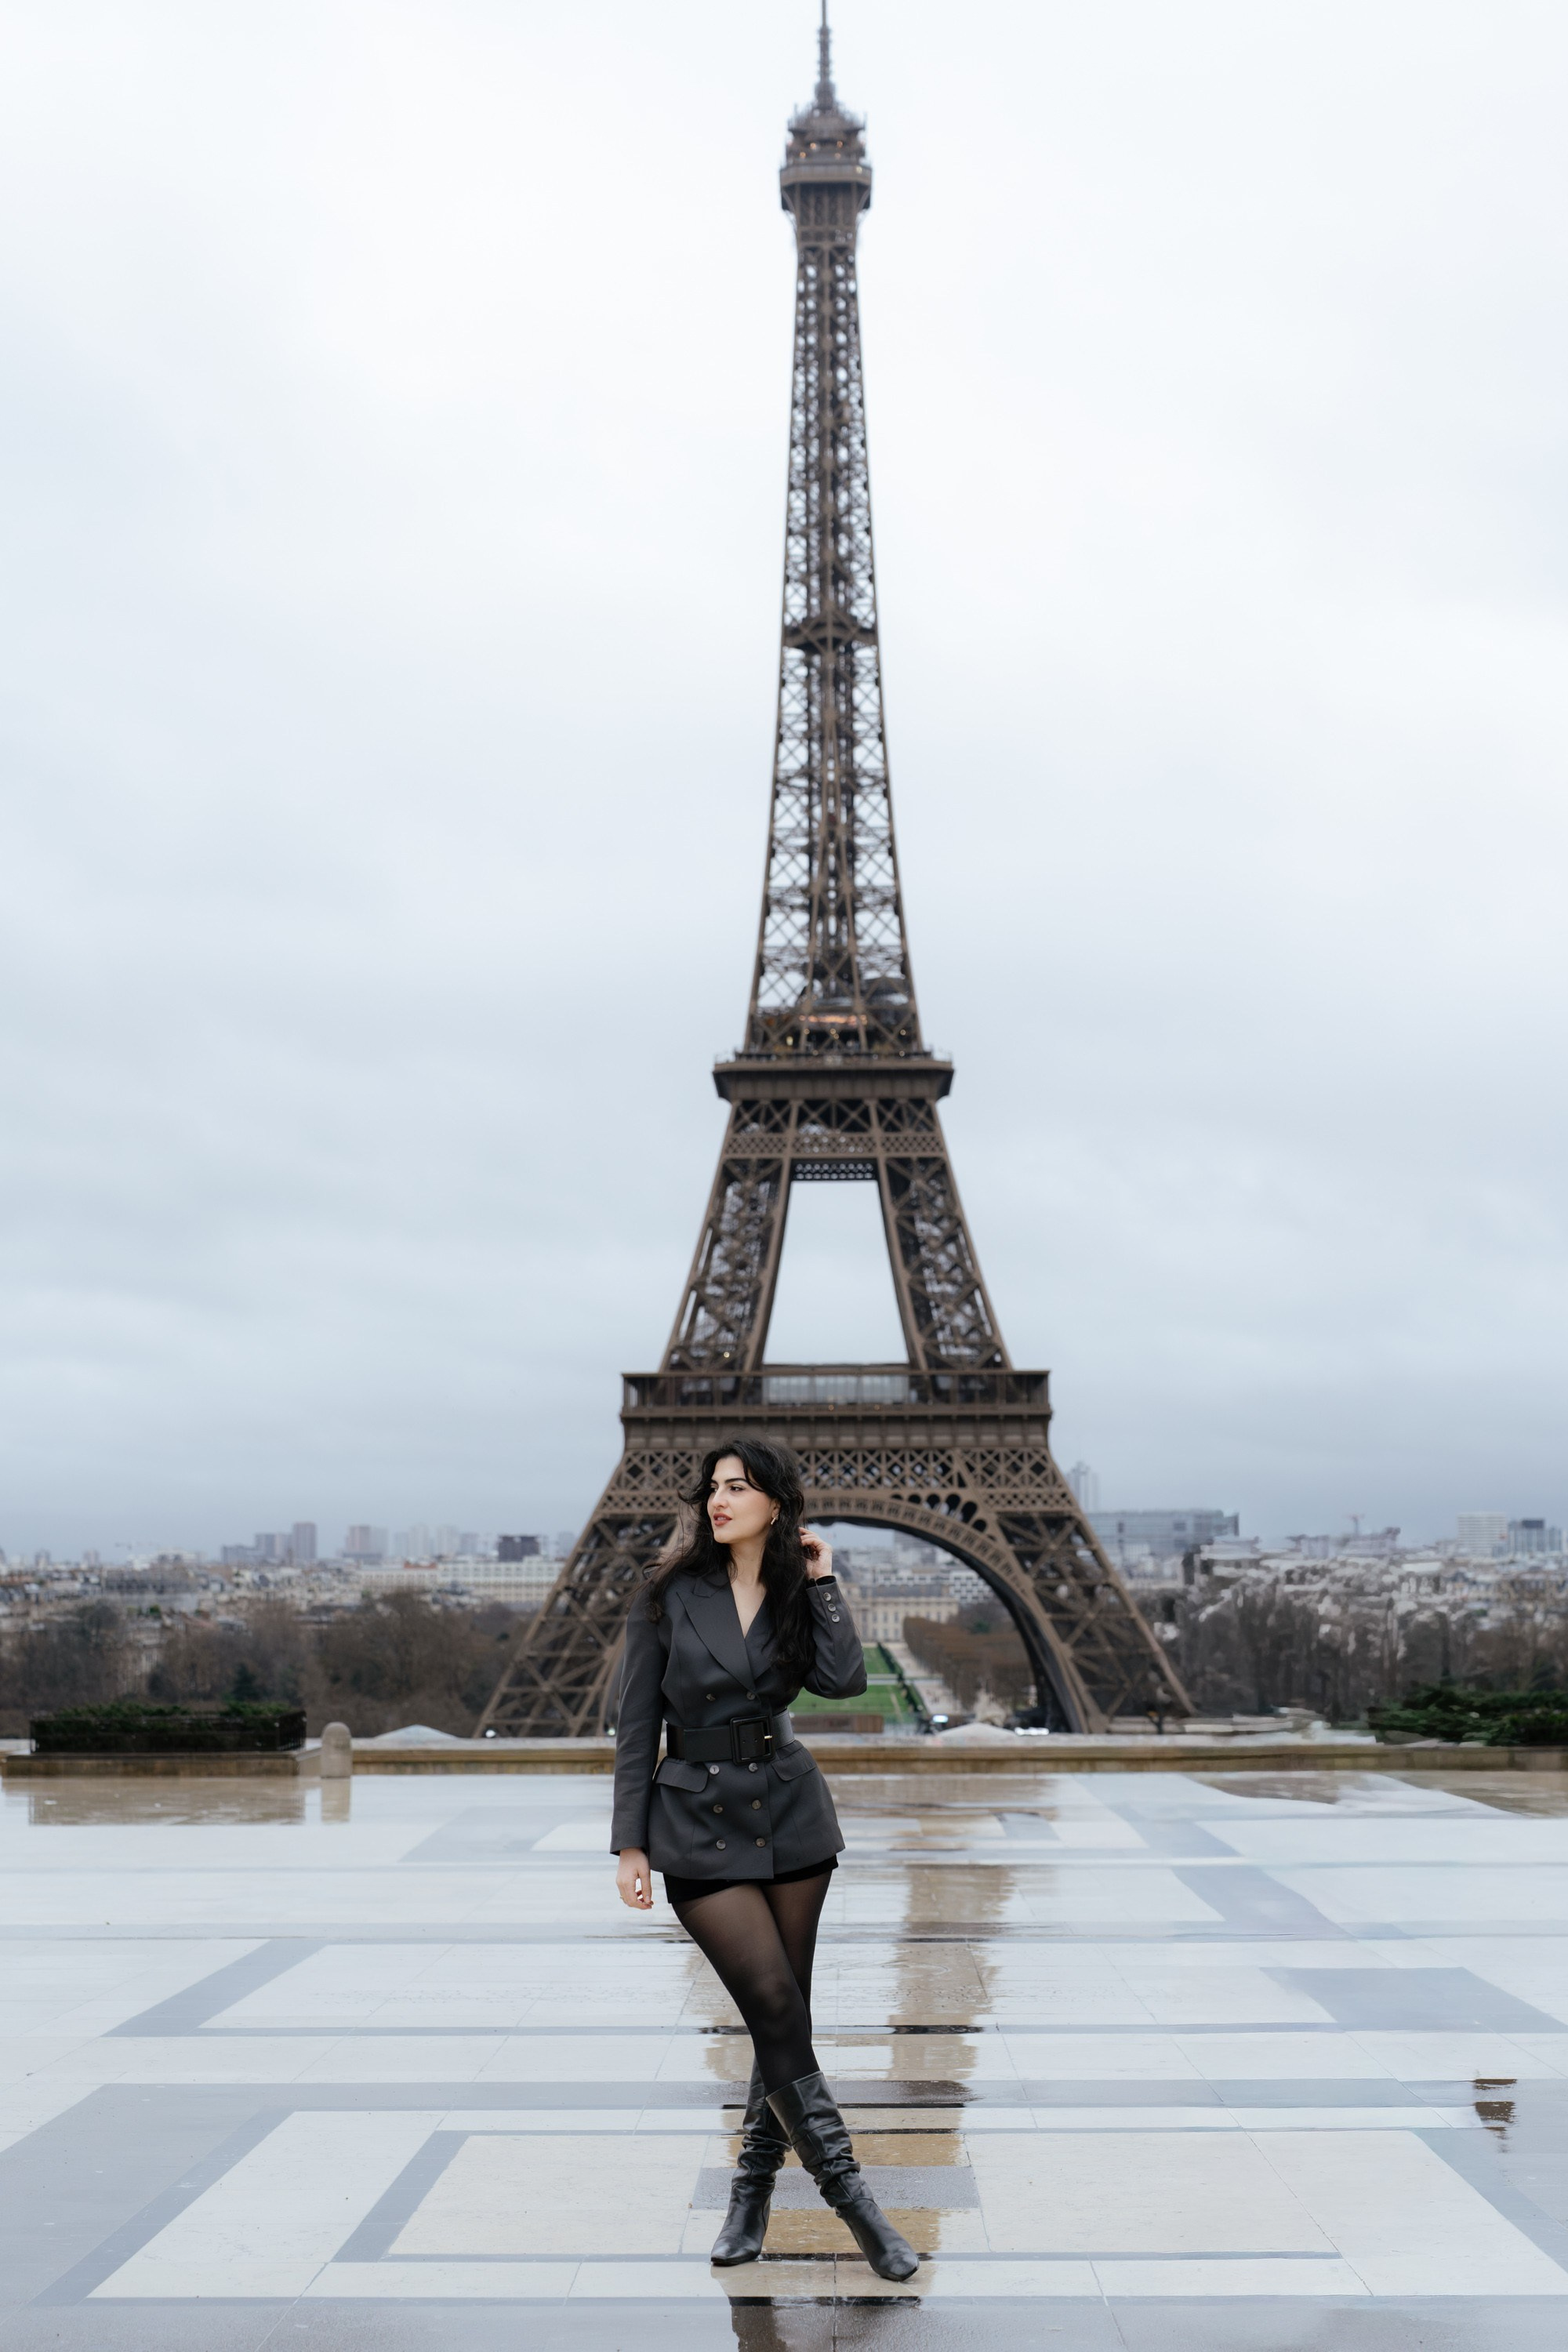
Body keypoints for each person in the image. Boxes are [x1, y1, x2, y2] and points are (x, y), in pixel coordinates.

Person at [611, 1437, 917, 2282]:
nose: (718, 1500)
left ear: (774, 1504)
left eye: (738, 1487)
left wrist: (821, 1581)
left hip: (787, 1810)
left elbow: (845, 1681)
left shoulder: (794, 1589)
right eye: (712, 1487)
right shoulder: (666, 1594)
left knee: (781, 2018)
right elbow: (635, 1725)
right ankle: (854, 2203)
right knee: (775, 2006)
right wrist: (631, 1842)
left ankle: (749, 2191)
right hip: (695, 1820)